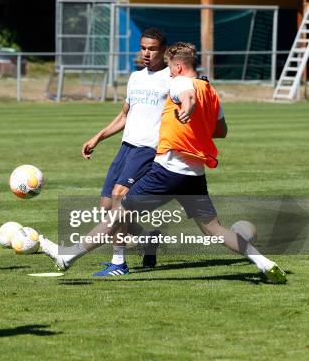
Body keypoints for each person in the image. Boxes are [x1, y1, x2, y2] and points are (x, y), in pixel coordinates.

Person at [41, 42, 286, 284]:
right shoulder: (210, 91)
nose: (168, 72)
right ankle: (265, 263)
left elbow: (186, 95)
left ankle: (68, 257)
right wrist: (194, 123)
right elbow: (221, 130)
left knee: (118, 215)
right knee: (214, 228)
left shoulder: (180, 82)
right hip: (193, 174)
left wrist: (187, 109)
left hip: (167, 170)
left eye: (169, 67)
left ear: (179, 66)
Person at [77, 28, 170, 275]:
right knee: (106, 207)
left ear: (164, 51)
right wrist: (98, 137)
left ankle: (119, 263)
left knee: (119, 200)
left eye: (152, 49)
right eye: (143, 48)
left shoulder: (173, 79)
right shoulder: (135, 77)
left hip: (147, 149)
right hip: (126, 147)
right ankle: (148, 240)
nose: (146, 53)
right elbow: (124, 116)